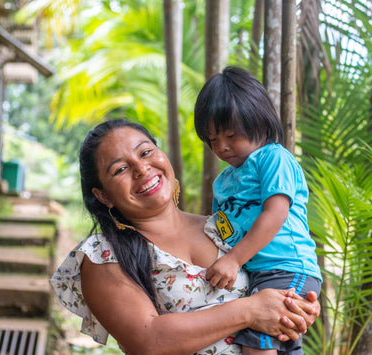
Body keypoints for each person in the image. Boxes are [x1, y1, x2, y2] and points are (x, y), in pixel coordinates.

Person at [50, 119, 320, 355]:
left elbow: (275, 278)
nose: (142, 169)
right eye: (120, 169)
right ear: (103, 195)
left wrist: (295, 306)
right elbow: (148, 342)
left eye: (146, 152)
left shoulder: (222, 228)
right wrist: (250, 310)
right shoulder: (102, 255)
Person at [194, 66, 322, 355]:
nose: (222, 147)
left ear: (259, 122)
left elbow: (276, 213)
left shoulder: (274, 158)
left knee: (256, 345)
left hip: (287, 266)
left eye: (231, 135)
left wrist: (234, 261)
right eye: (213, 140)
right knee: (282, 344)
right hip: (256, 274)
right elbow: (220, 231)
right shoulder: (222, 182)